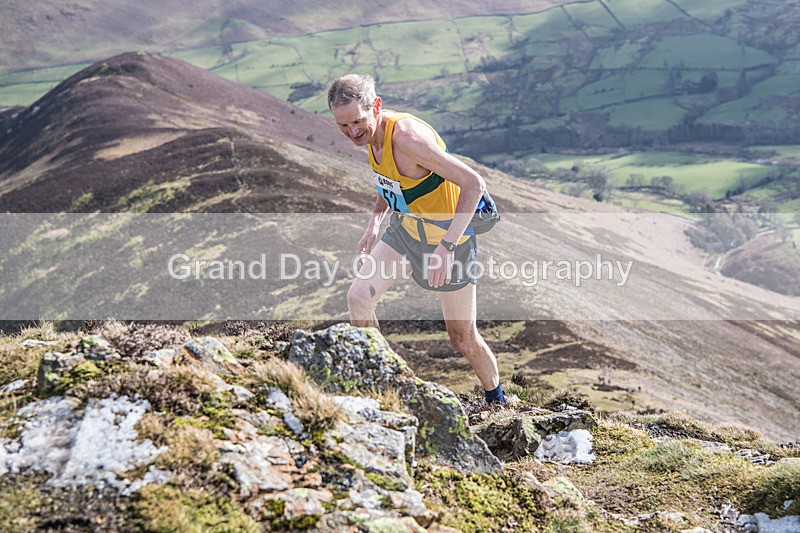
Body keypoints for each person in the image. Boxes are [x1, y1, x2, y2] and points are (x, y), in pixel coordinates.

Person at [327, 74, 505, 405]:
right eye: (343, 126)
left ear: (376, 107)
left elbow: (474, 184)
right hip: (407, 231)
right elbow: (390, 182)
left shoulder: (407, 138)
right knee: (358, 298)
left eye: (357, 122)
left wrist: (447, 247)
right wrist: (374, 223)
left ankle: (498, 401)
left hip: (450, 239)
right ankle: (383, 383)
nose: (352, 132)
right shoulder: (371, 137)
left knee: (462, 339)